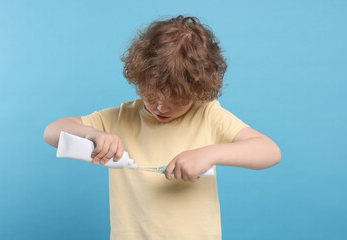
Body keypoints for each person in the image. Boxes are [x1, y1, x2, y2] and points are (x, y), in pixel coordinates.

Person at [44, 15, 281, 240]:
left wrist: (209, 153)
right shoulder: (120, 118)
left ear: (197, 91)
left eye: (175, 101)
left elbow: (269, 151)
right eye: (151, 95)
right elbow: (52, 132)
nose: (160, 107)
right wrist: (92, 134)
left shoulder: (208, 115)